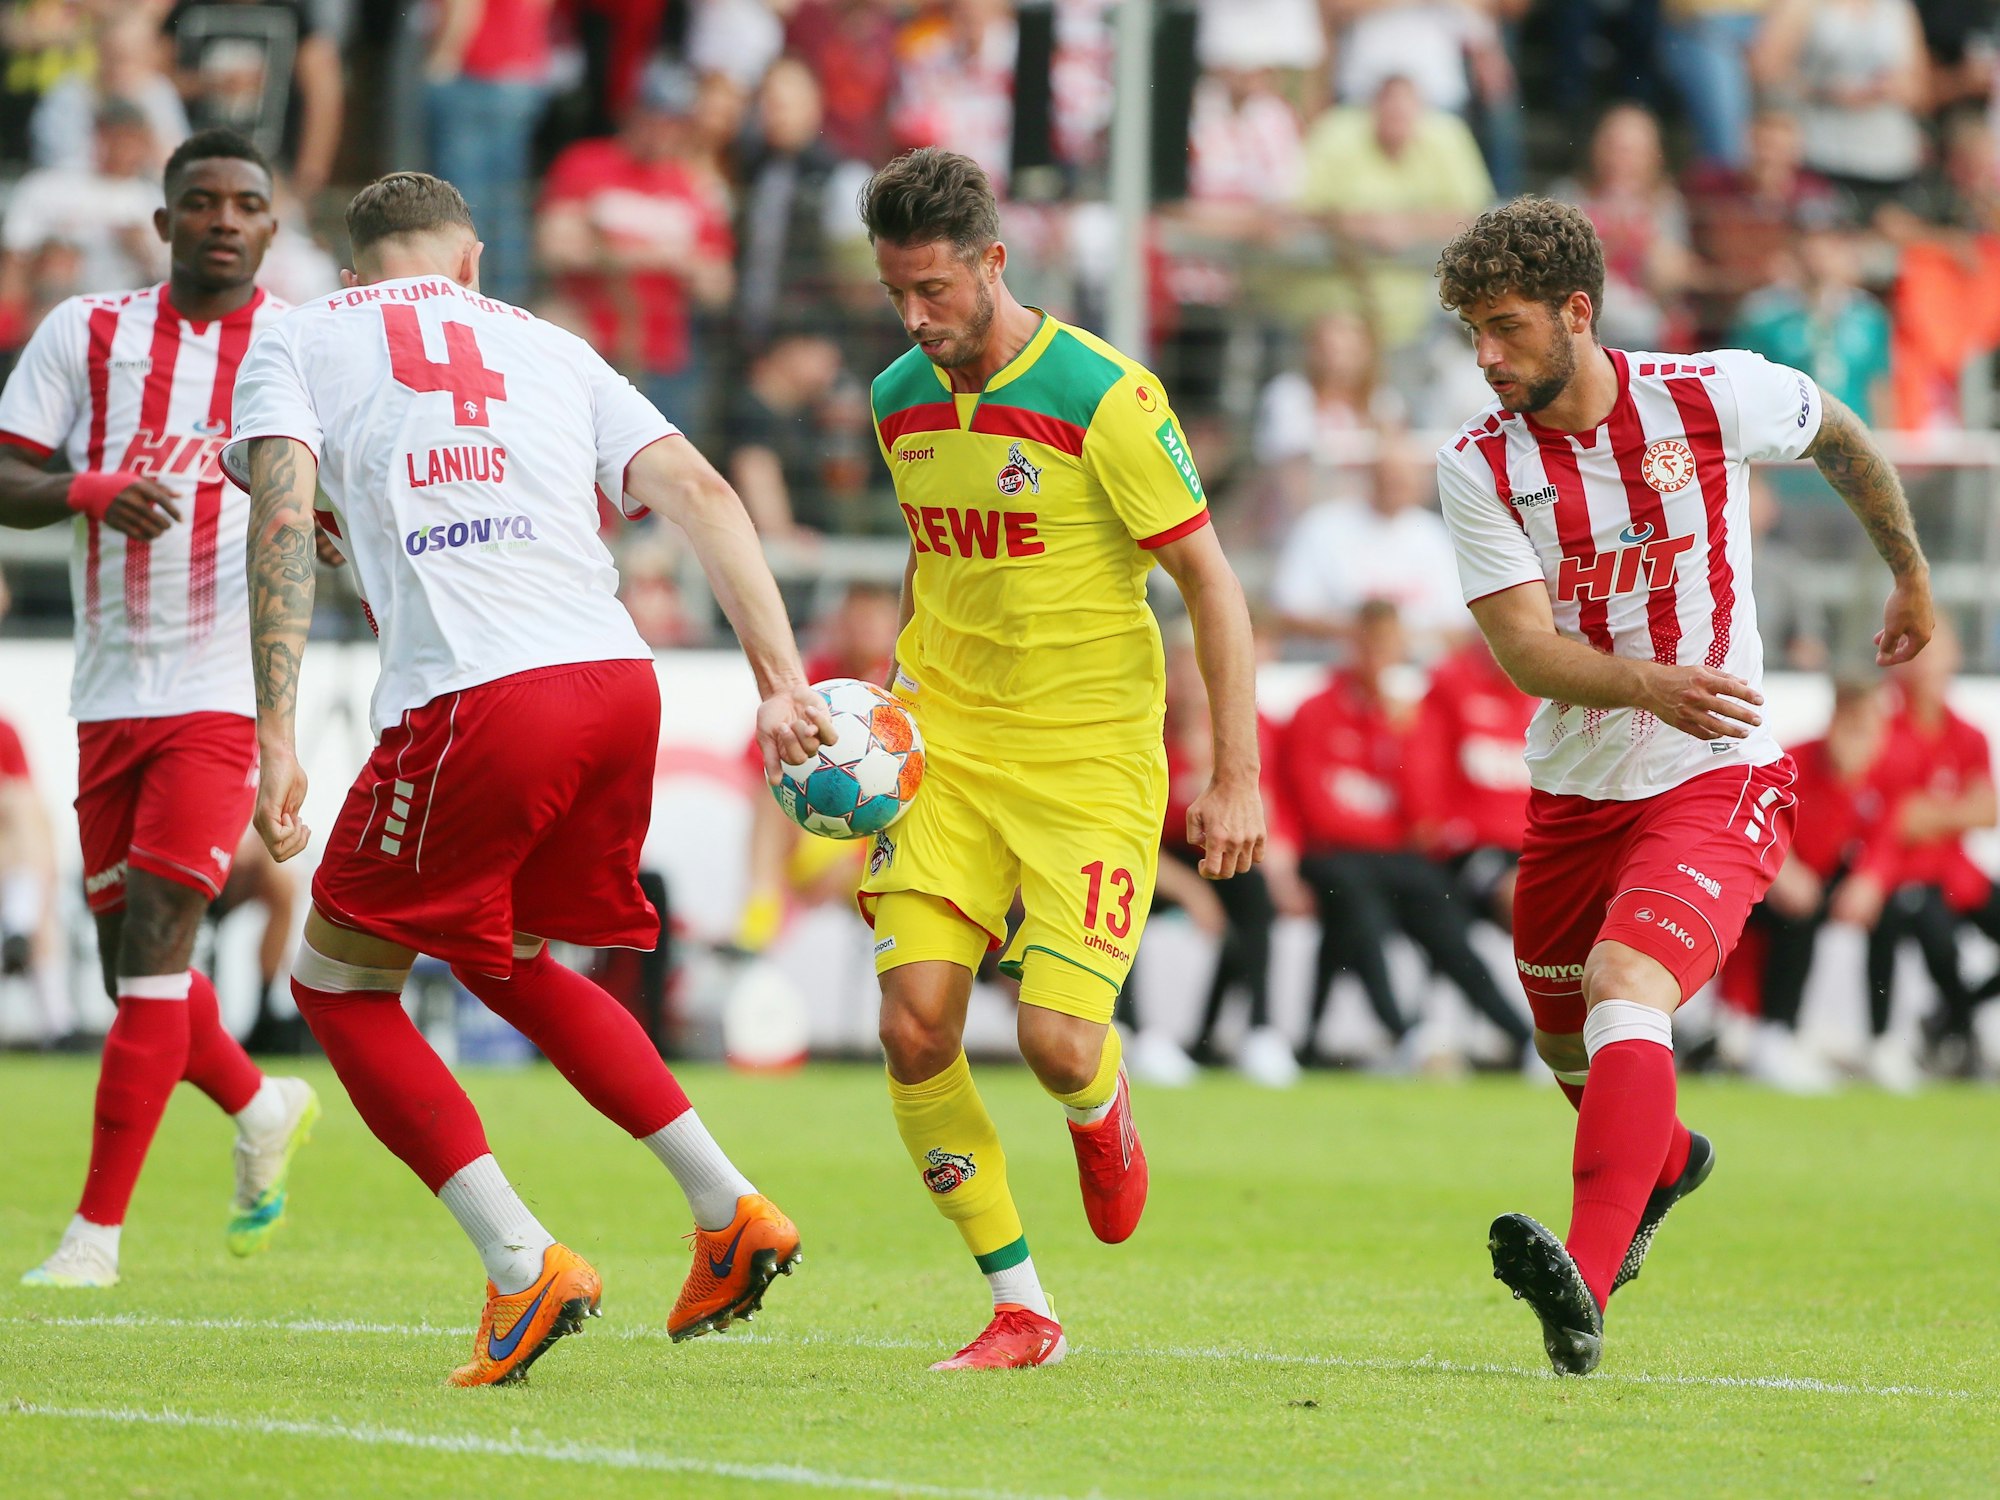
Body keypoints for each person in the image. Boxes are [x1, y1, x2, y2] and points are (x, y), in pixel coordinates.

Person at [227, 170, 831, 1388]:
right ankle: (728, 1210)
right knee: (504, 956)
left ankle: (520, 1262)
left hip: (479, 698)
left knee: (338, 986)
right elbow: (705, 493)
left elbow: (281, 514)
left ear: (351, 273)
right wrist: (780, 681)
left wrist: (274, 729)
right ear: (470, 263)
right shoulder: (550, 343)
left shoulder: (293, 333)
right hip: (616, 684)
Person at [1433, 196, 1931, 1375]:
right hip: (1573, 790)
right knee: (1568, 1051)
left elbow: (1838, 435)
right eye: (1470, 332)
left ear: (1575, 312)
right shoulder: (1478, 463)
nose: (1485, 357)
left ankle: (1582, 1287)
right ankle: (1666, 1162)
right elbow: (1523, 653)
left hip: (1717, 769)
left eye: (1504, 327)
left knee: (1625, 986)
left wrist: (1907, 572)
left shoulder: (1710, 393)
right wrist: (1647, 684)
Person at [857, 148, 1264, 1370]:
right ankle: (1020, 1308)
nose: (915, 318)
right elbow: (934, 554)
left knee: (1055, 1045)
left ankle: (1098, 1101)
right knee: (913, 1029)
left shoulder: (1105, 396)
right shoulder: (895, 397)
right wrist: (882, 714)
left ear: (993, 261)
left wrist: (1234, 773)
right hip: (944, 752)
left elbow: (1209, 582)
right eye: (894, 293)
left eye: (934, 289)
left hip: (1087, 763)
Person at [0, 128, 318, 1289]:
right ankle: (260, 1100)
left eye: (246, 203)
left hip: (219, 692)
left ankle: (94, 1237)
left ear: (271, 227)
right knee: (127, 969)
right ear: (162, 222)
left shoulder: (295, 348)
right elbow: (6, 472)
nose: (224, 219)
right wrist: (86, 488)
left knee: (152, 951)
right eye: (202, 201)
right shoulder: (86, 333)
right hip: (106, 694)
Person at [1277, 599, 1534, 1069]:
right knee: (1360, 907)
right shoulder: (1316, 710)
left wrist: (1405, 738)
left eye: (1388, 646)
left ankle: (1522, 1036)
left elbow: (1422, 817)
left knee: (1443, 916)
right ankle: (1402, 1033)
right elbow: (1321, 813)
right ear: (1352, 644)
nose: (1379, 656)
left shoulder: (1406, 718)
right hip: (1335, 855)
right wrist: (1389, 829)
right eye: (1371, 644)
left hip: (1391, 855)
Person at [537, 63, 735, 444]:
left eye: (674, 121)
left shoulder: (695, 188)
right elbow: (555, 246)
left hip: (664, 361)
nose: (662, 130)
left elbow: (718, 286)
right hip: (590, 351)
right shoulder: (586, 163)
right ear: (633, 112)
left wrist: (611, 247)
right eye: (654, 116)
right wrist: (656, 257)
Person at [1733, 674, 1891, 1093]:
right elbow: (1757, 815)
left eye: (1871, 728)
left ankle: (1882, 1040)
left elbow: (1883, 837)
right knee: (1797, 915)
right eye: (1855, 727)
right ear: (1836, 721)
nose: (1863, 740)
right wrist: (1783, 869)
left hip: (1822, 881)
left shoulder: (1880, 771)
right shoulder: (1793, 761)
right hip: (1767, 877)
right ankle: (1773, 1034)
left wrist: (1870, 879)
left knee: (1893, 911)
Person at [1864, 619, 1999, 1084]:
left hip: (1959, 875)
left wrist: (1931, 813)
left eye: (1936, 652)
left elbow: (1987, 812)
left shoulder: (1968, 734)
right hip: (1908, 878)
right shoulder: (1884, 729)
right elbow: (1898, 819)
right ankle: (1950, 1034)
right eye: (1919, 653)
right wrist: (1956, 810)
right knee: (1940, 945)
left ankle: (1952, 1017)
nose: (1927, 665)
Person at [164, 0, 344, 201]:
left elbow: (322, 93)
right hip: (191, 163)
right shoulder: (187, 11)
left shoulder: (292, 17)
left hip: (272, 168)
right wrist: (209, 83)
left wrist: (310, 175)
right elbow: (150, 83)